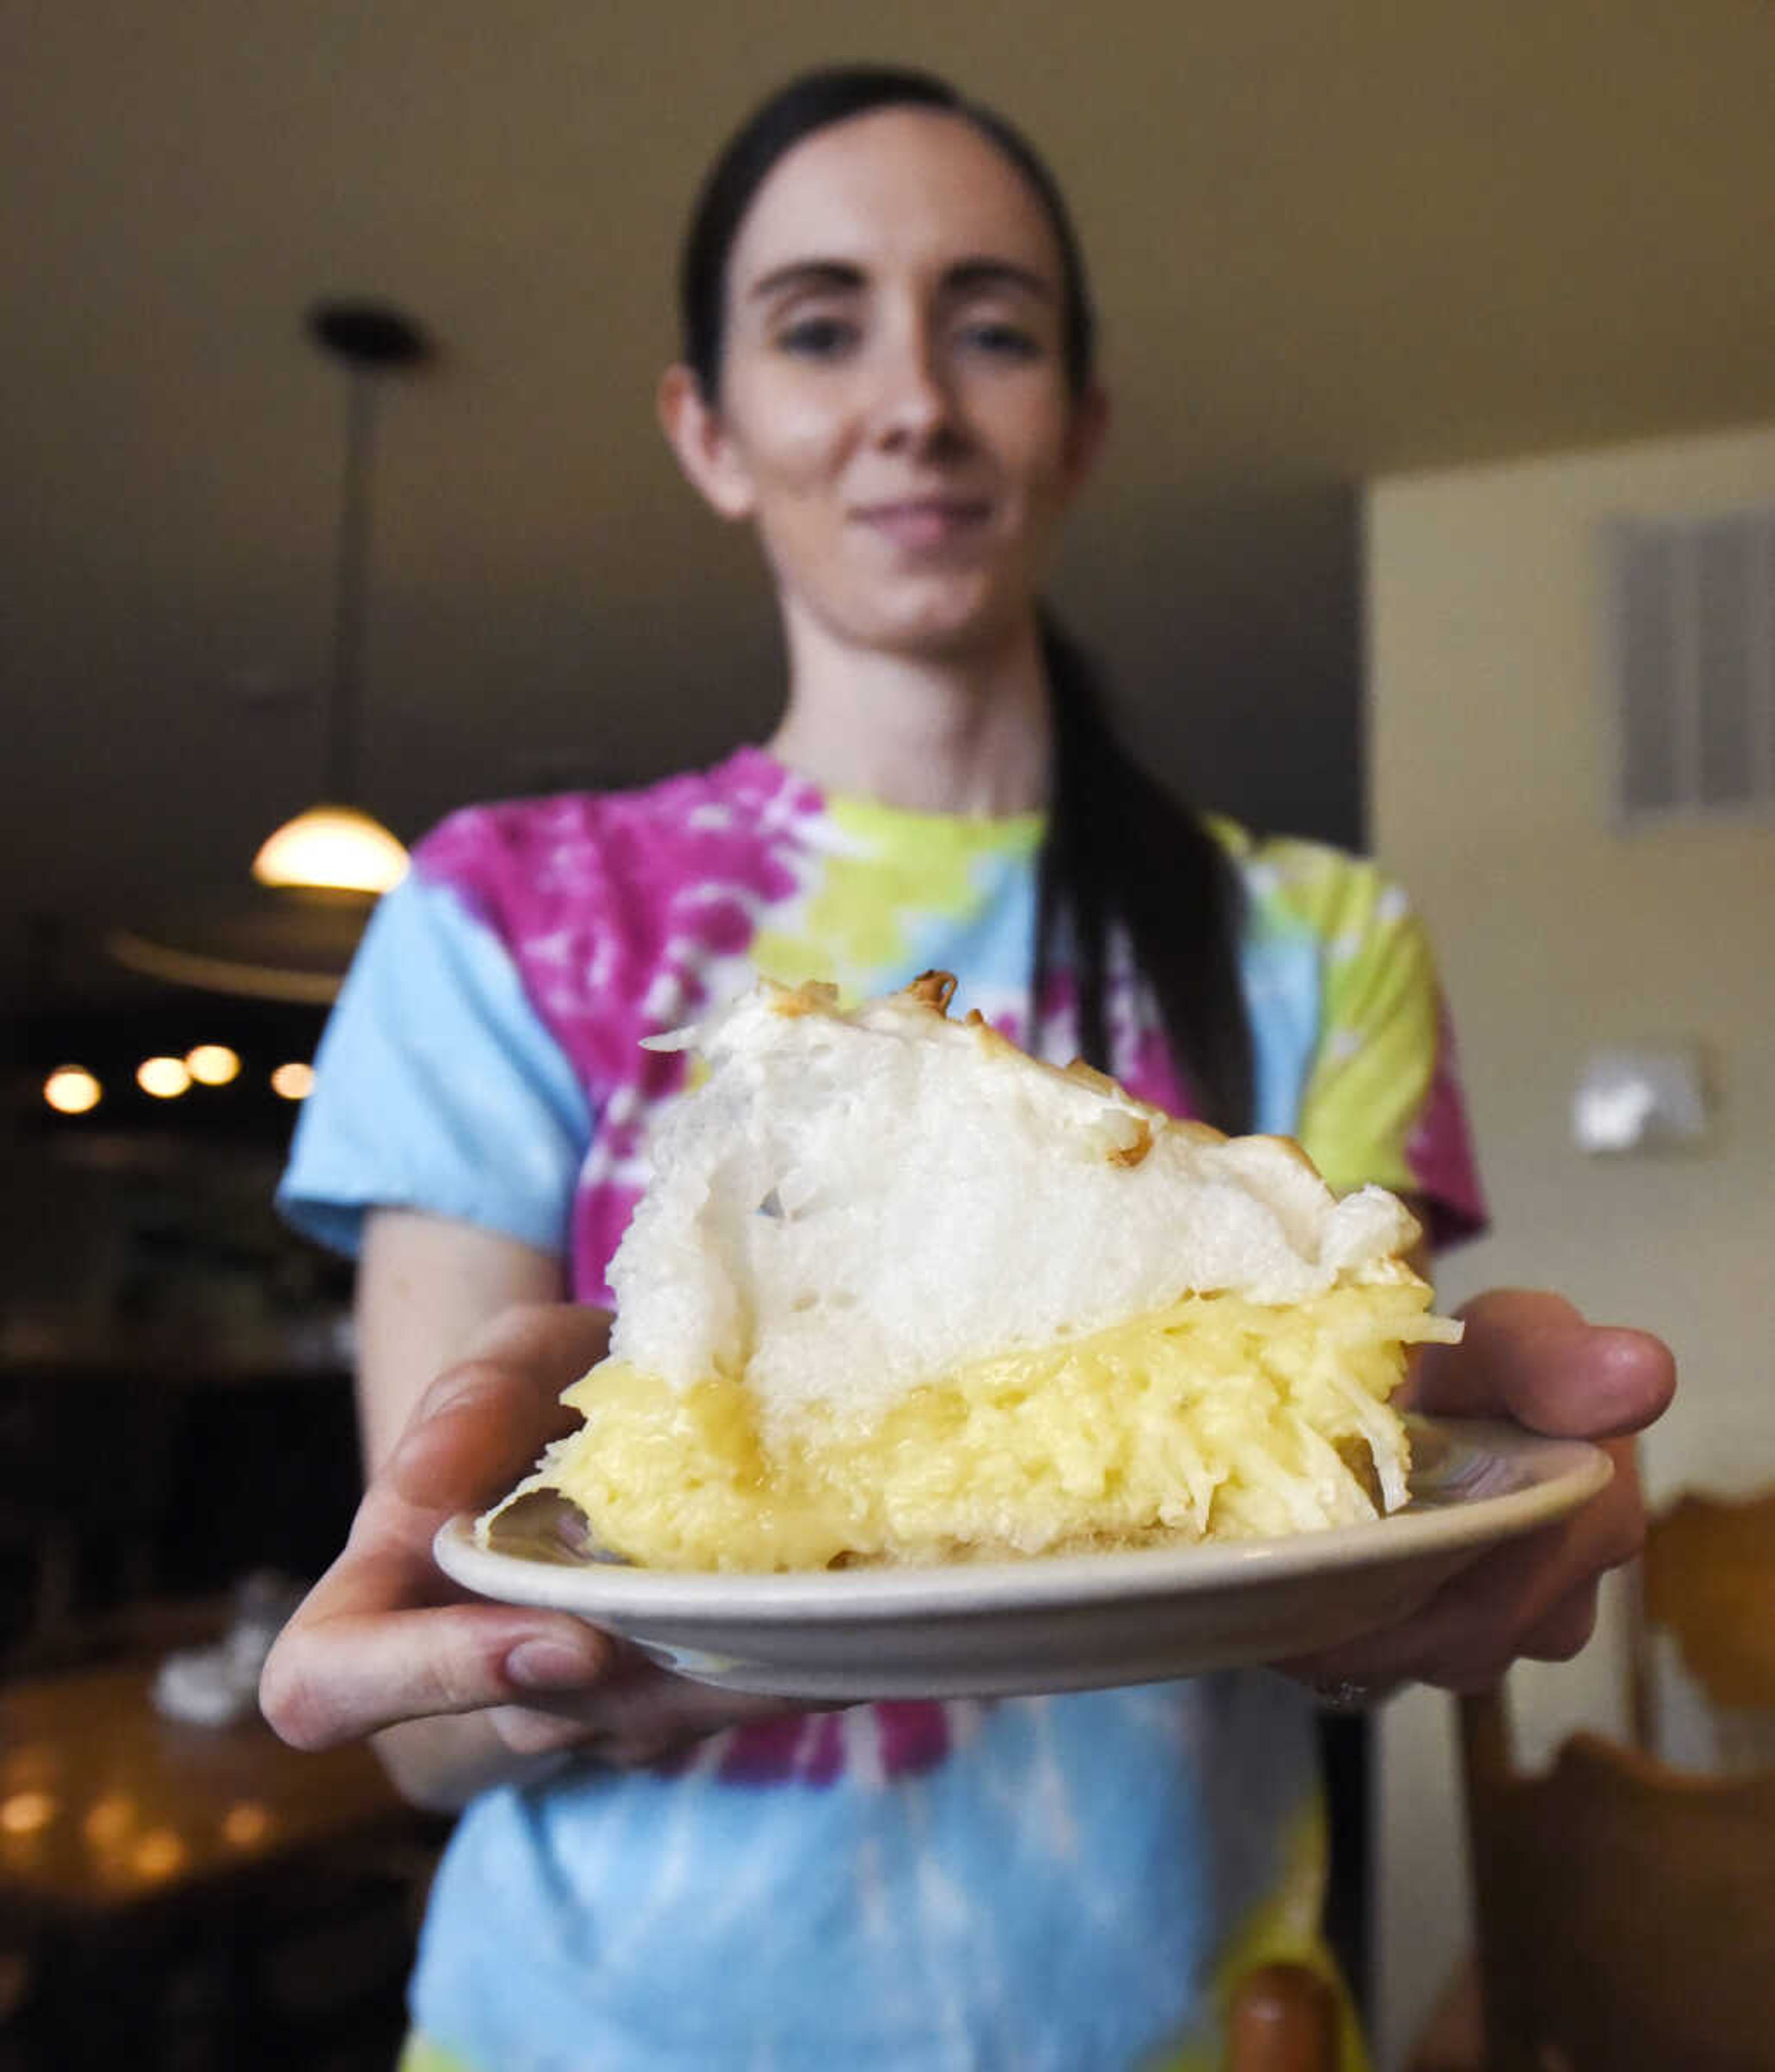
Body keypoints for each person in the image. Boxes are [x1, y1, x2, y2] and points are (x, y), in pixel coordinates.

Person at [262, 64, 1674, 2072]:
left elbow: (1360, 1509)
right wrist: (503, 1671)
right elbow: (430, 1695)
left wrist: (1461, 1539)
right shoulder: (501, 911)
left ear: (1078, 428)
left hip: (1193, 2026)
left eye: (991, 327)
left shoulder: (1323, 936)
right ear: (708, 427)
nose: (912, 399)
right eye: (819, 325)